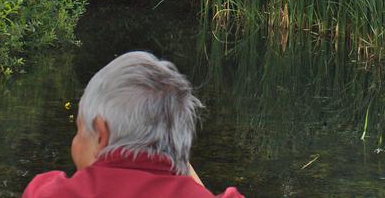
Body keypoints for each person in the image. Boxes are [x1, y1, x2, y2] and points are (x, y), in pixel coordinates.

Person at [23, 51, 244, 198]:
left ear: (101, 133)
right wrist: (175, 157)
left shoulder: (48, 193)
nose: (75, 141)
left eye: (79, 130)